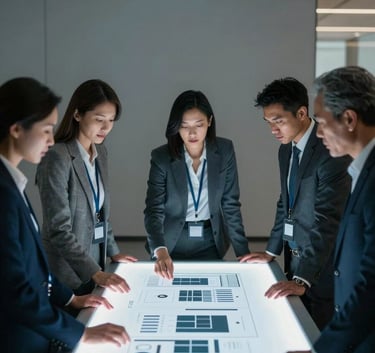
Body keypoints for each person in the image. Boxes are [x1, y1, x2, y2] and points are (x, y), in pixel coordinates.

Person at [0, 77, 130, 353]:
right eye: (46, 129)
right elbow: (16, 289)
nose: (51, 138)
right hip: (23, 333)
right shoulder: (12, 186)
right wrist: (81, 334)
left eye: (111, 120)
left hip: (54, 305)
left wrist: (71, 298)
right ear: (15, 129)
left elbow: (33, 269)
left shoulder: (14, 182)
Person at [240, 77, 351, 330]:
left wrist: (303, 278)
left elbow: (328, 219)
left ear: (302, 113)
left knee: (319, 333)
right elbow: (285, 202)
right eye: (268, 123)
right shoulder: (286, 149)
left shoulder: (329, 150)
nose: (273, 130)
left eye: (278, 121)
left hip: (322, 266)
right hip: (294, 257)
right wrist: (271, 251)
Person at [289, 66, 375, 353]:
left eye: (322, 122)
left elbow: (371, 284)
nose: (319, 132)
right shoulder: (361, 170)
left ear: (349, 119)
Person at [36, 79, 137, 297]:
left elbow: (100, 213)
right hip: (65, 275)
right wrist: (95, 273)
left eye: (111, 120)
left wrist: (113, 252)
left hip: (95, 264)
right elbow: (58, 230)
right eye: (99, 119)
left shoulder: (101, 153)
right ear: (77, 114)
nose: (106, 127)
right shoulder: (57, 157)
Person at [144, 89, 250, 279]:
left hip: (210, 240)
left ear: (209, 121)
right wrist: (160, 250)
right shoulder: (161, 158)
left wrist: (243, 254)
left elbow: (230, 204)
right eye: (184, 126)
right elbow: (154, 210)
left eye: (199, 125)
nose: (192, 133)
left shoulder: (224, 151)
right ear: (176, 126)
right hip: (170, 242)